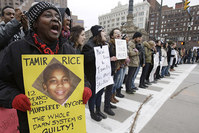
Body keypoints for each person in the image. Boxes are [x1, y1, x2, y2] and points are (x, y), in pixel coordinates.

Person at [0, 2, 91, 133]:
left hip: (67, 122)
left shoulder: (69, 50)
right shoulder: (16, 49)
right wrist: (13, 97)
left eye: (58, 18)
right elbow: (2, 83)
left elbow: (82, 78)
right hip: (32, 124)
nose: (55, 19)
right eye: (48, 15)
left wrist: (86, 87)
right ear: (35, 23)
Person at [82, 25, 109, 121]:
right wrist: (97, 52)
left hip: (101, 75)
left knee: (100, 93)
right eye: (103, 31)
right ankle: (92, 113)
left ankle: (98, 110)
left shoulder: (103, 44)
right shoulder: (88, 45)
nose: (105, 33)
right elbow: (85, 60)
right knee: (93, 95)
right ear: (98, 33)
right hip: (92, 76)